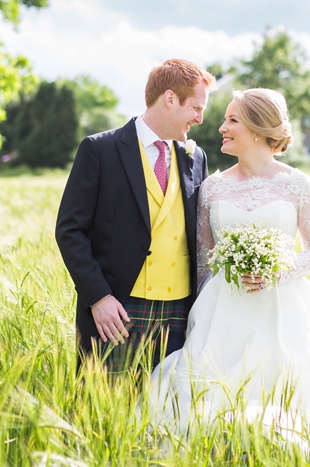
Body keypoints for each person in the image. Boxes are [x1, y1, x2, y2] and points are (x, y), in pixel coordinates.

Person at [150, 88, 310, 441]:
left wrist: (278, 272)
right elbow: (205, 259)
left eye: (232, 119)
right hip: (222, 309)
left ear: (257, 129)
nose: (221, 126)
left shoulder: (297, 183)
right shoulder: (212, 187)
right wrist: (196, 316)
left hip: (284, 307)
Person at [55, 59, 215, 374]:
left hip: (182, 312)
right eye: (196, 108)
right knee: (101, 414)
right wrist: (98, 297)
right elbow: (70, 231)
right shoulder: (100, 149)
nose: (199, 119)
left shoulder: (195, 156)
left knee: (167, 415)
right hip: (118, 309)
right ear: (170, 99)